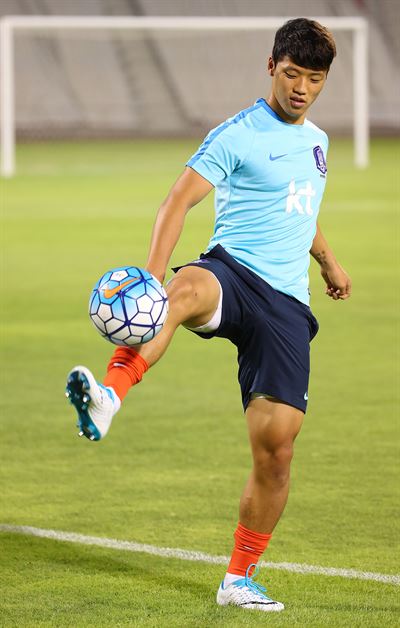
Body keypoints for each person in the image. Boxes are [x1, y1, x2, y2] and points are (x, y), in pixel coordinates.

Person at [66, 18, 351, 612]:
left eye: (313, 79)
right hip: (232, 271)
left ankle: (238, 578)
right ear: (270, 66)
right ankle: (109, 396)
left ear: (324, 82)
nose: (300, 88)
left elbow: (301, 208)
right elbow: (178, 199)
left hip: (285, 306)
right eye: (292, 74)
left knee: (277, 451)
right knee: (180, 292)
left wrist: (328, 262)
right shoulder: (237, 134)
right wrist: (150, 272)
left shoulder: (319, 143)